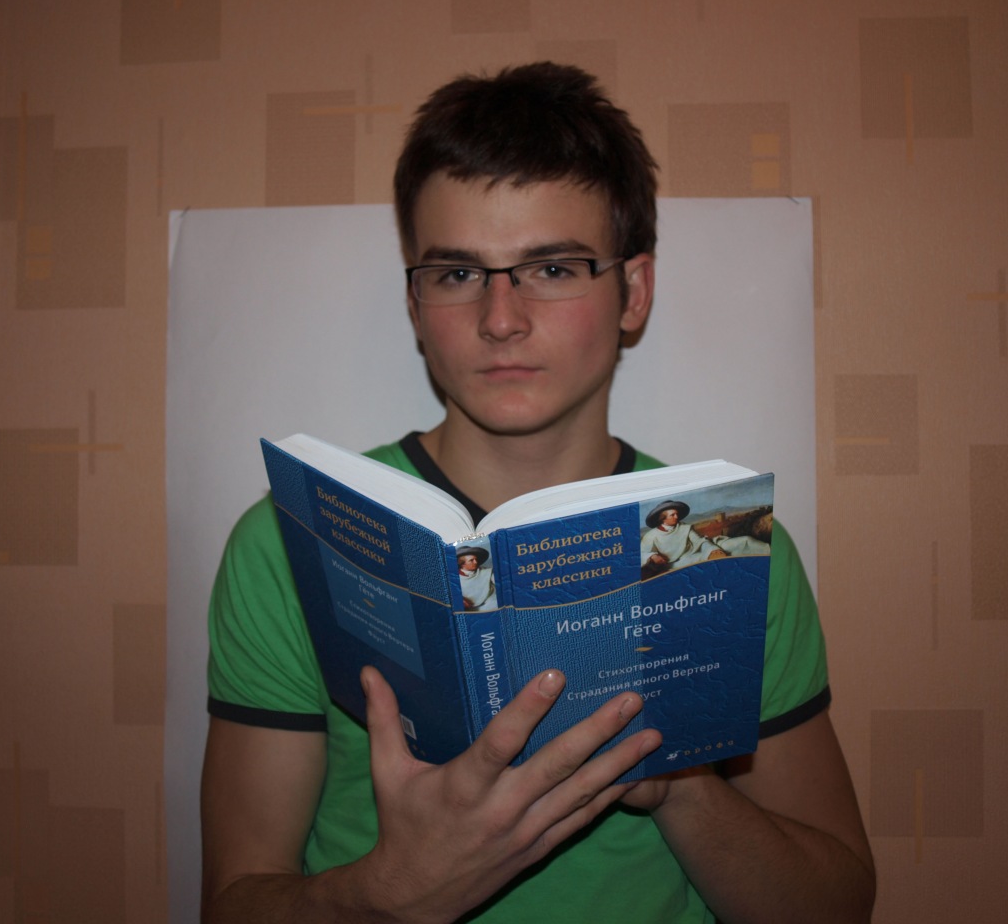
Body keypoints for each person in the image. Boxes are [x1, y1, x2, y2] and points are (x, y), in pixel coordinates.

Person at [201, 62, 875, 923]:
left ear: (633, 291)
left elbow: (836, 903)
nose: (501, 319)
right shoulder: (292, 539)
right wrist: (390, 895)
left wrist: (675, 784)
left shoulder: (727, 544)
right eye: (457, 274)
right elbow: (233, 901)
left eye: (552, 268)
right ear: (414, 302)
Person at [456, 545, 496, 611]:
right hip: (472, 610)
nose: (476, 562)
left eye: (476, 559)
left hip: (492, 602)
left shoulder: (487, 572)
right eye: (471, 560)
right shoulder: (455, 578)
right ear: (462, 564)